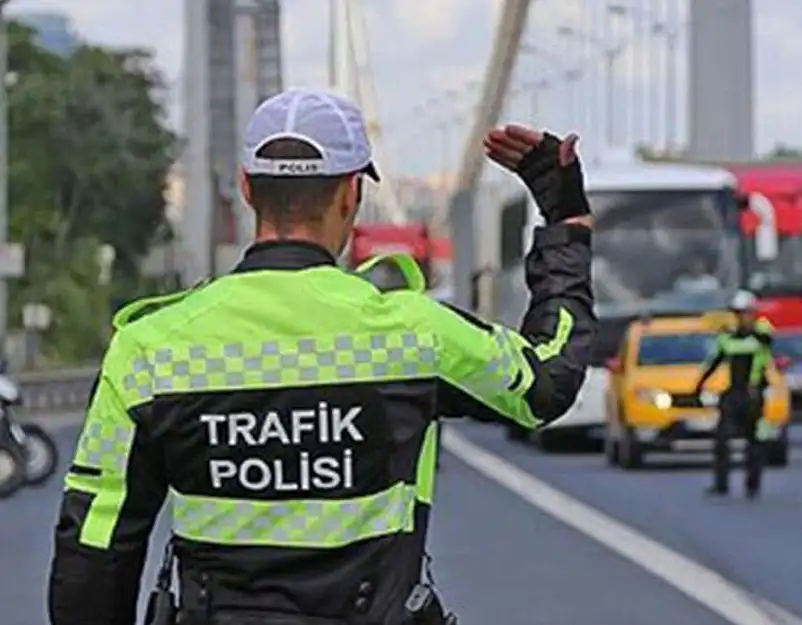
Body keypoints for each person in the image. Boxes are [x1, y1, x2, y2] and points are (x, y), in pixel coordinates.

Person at [48, 88, 597, 625]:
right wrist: (565, 222)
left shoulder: (149, 348)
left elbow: (95, 548)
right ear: (350, 194)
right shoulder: (413, 334)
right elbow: (545, 382)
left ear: (246, 188)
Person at [694, 290, 774, 499]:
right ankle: (721, 484)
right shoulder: (727, 339)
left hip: (754, 394)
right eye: (738, 313)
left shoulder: (760, 336)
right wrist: (700, 385)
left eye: (746, 313)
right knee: (722, 440)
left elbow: (768, 337)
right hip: (733, 393)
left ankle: (752, 485)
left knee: (754, 442)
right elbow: (714, 362)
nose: (742, 318)